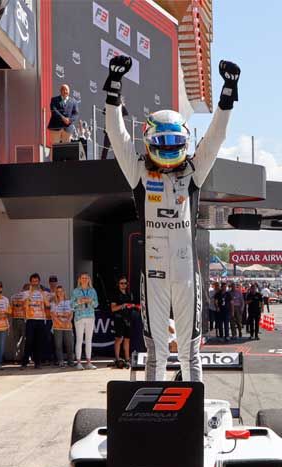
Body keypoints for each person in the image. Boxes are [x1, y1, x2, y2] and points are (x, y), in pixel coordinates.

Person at [104, 54, 239, 381]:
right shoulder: (138, 172)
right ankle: (153, 417)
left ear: (185, 142)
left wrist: (227, 95)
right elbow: (116, 134)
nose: (167, 149)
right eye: (161, 142)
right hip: (152, 278)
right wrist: (113, 91)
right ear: (149, 141)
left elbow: (216, 138)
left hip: (186, 276)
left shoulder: (193, 173)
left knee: (191, 352)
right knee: (156, 354)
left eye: (174, 142)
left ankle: (190, 417)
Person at [22, 273, 52, 369]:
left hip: (40, 320)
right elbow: (24, 305)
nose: (35, 283)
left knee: (39, 342)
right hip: (30, 320)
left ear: (39, 282)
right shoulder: (25, 293)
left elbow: (48, 305)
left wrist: (42, 294)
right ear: (30, 282)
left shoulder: (44, 293)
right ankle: (24, 362)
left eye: (36, 281)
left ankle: (37, 362)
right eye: (33, 281)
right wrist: (30, 292)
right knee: (29, 341)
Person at [72, 273, 99, 370]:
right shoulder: (75, 291)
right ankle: (78, 362)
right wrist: (79, 302)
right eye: (82, 278)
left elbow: (96, 304)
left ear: (89, 280)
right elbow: (71, 305)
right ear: (79, 279)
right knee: (79, 340)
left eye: (86, 278)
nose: (84, 279)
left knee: (89, 340)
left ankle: (88, 362)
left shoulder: (92, 291)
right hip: (79, 317)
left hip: (90, 317)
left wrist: (90, 301)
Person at [111, 276, 137, 369]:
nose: (123, 285)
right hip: (119, 319)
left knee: (127, 339)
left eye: (125, 283)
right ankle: (117, 358)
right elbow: (113, 309)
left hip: (128, 319)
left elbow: (133, 305)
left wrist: (132, 306)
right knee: (119, 339)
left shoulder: (129, 294)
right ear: (118, 284)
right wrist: (122, 305)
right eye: (121, 283)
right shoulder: (115, 294)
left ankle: (127, 358)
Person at [50, 285, 75, 368]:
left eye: (61, 291)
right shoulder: (54, 303)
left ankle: (70, 362)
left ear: (64, 292)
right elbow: (53, 315)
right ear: (56, 293)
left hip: (68, 327)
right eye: (58, 292)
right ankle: (61, 361)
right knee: (58, 345)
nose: (60, 293)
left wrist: (67, 321)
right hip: (57, 327)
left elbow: (71, 314)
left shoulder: (69, 302)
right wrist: (60, 323)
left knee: (70, 344)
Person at [9, 283, 28, 364]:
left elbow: (10, 309)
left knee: (16, 339)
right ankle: (23, 357)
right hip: (24, 319)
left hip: (15, 319)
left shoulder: (13, 296)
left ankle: (16, 358)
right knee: (24, 339)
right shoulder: (28, 297)